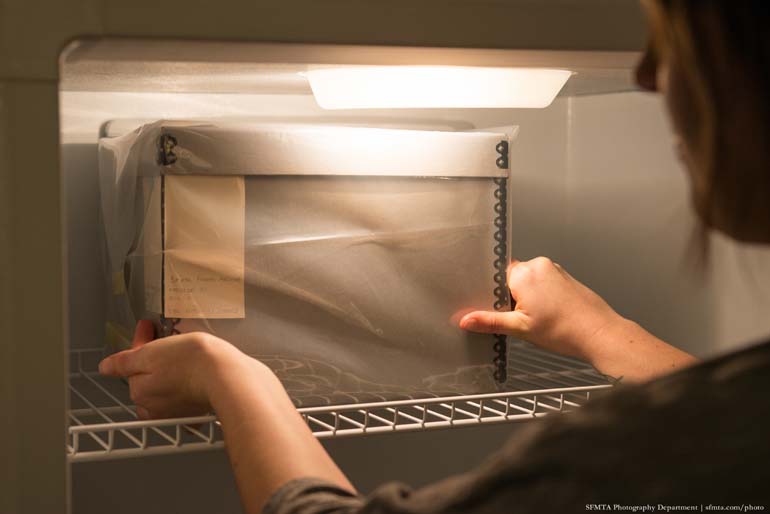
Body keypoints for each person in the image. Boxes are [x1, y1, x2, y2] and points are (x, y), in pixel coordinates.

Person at [98, 0, 770, 510]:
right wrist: (603, 333)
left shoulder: (609, 456)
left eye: (680, 37)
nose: (649, 75)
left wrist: (230, 376)